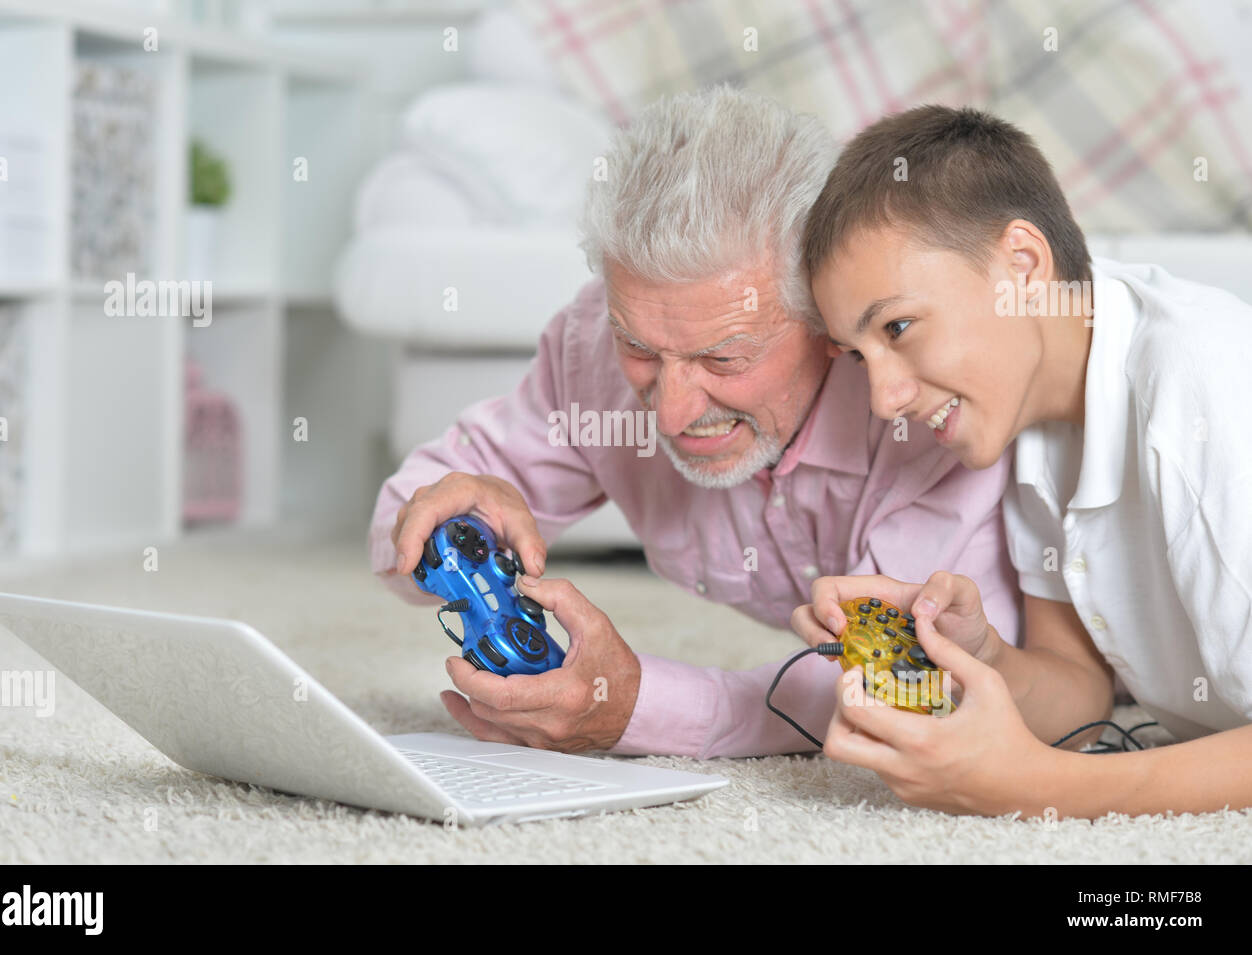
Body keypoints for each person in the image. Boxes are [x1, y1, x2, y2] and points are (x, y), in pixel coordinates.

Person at [370, 87, 1020, 758]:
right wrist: (453, 524)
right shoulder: (592, 342)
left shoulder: (926, 409)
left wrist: (637, 705)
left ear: (830, 319)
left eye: (724, 356)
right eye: (640, 349)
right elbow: (404, 514)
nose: (672, 412)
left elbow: (907, 683)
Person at [796, 104, 1252, 816]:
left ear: (1023, 265)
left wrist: (1040, 789)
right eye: (860, 355)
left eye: (899, 326)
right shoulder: (1033, 419)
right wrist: (973, 655)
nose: (883, 398)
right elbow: (1080, 690)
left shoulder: (1201, 382)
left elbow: (1053, 771)